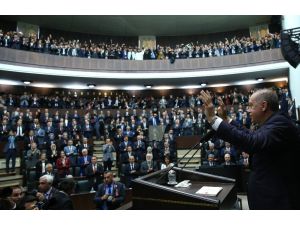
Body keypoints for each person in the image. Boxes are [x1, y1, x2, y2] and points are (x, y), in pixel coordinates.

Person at [199, 89, 300, 209]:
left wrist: (212, 118)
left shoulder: (280, 124)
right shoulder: (273, 123)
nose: (248, 110)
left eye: (251, 106)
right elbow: (251, 135)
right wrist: (226, 119)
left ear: (263, 106)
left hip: (277, 202)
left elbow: (251, 142)